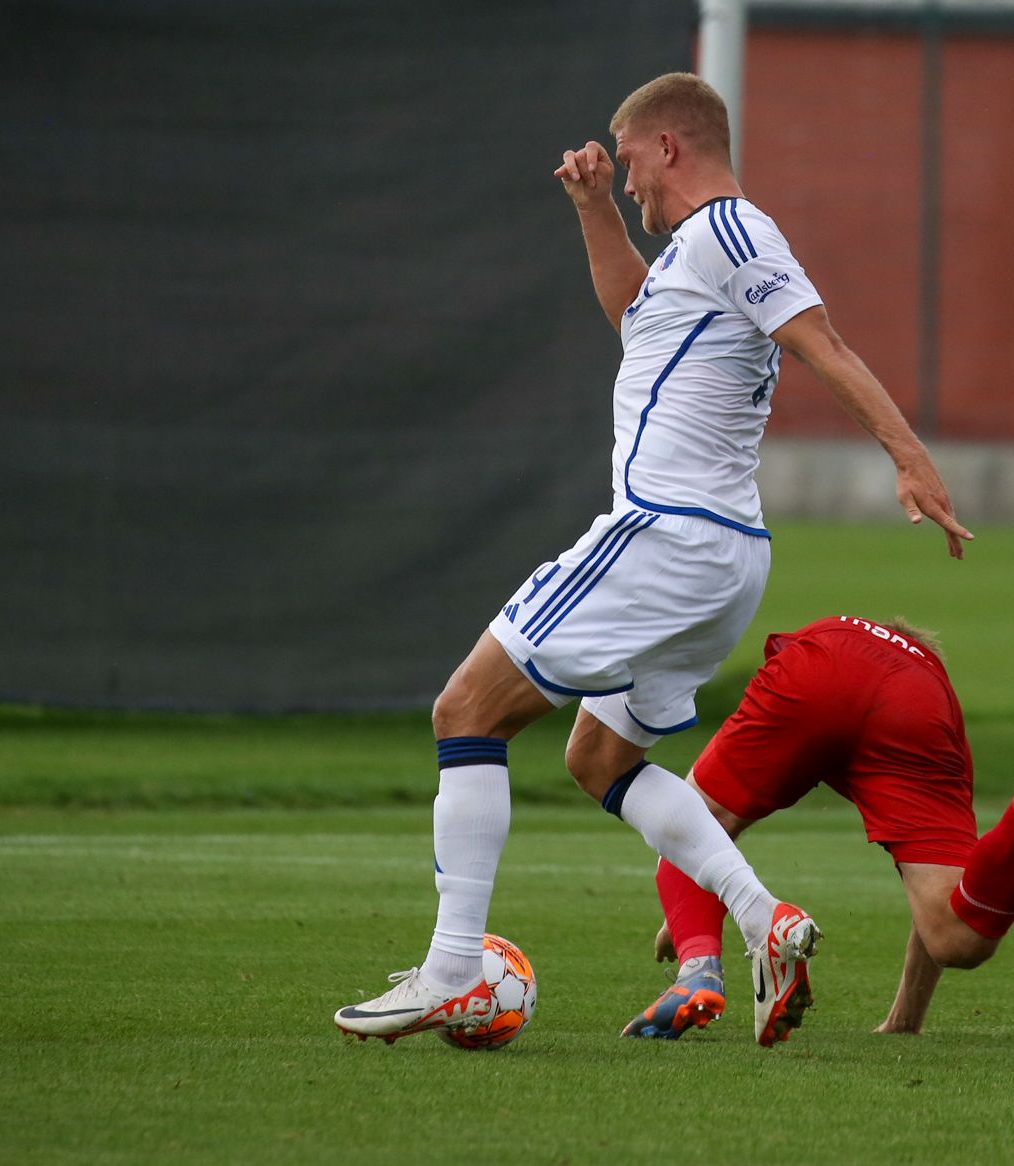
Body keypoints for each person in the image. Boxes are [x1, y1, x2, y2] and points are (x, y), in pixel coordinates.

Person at [332, 73, 972, 1048]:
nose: (621, 170)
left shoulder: (730, 232)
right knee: (599, 757)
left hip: (665, 535)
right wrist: (591, 206)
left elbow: (822, 341)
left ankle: (453, 968)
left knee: (464, 710)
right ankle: (766, 919)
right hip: (718, 557)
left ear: (669, 146)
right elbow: (632, 312)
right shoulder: (689, 257)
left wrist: (908, 454)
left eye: (624, 155)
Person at [617, 615, 1014, 1040]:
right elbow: (944, 896)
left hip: (816, 666)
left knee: (684, 822)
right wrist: (905, 1023)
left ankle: (699, 968)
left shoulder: (837, 632)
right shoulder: (931, 683)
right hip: (917, 700)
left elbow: (700, 831)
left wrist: (690, 909)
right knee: (957, 933)